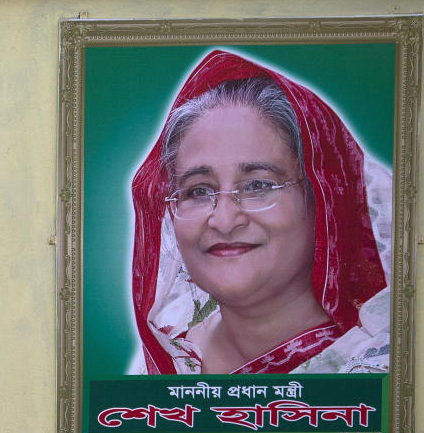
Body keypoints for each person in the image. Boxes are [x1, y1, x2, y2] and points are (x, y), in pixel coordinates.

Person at [130, 50, 392, 375]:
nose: (224, 221)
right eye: (198, 190)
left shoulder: (381, 369)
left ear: (325, 198)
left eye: (257, 186)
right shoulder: (168, 358)